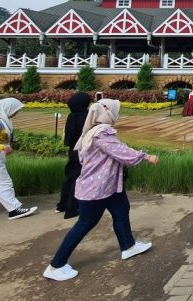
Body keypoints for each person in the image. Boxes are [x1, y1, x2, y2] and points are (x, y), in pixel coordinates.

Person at [43, 99, 160, 281]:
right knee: (85, 223)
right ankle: (56, 265)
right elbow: (120, 151)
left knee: (121, 210)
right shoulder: (101, 134)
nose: (117, 115)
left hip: (109, 185)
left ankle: (128, 246)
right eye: (116, 112)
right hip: (96, 188)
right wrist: (145, 156)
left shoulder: (94, 131)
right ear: (108, 114)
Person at [55, 92, 91, 219]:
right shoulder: (86, 116)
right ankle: (72, 209)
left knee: (69, 177)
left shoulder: (71, 116)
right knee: (78, 179)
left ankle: (62, 205)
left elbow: (68, 138)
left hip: (73, 151)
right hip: (83, 151)